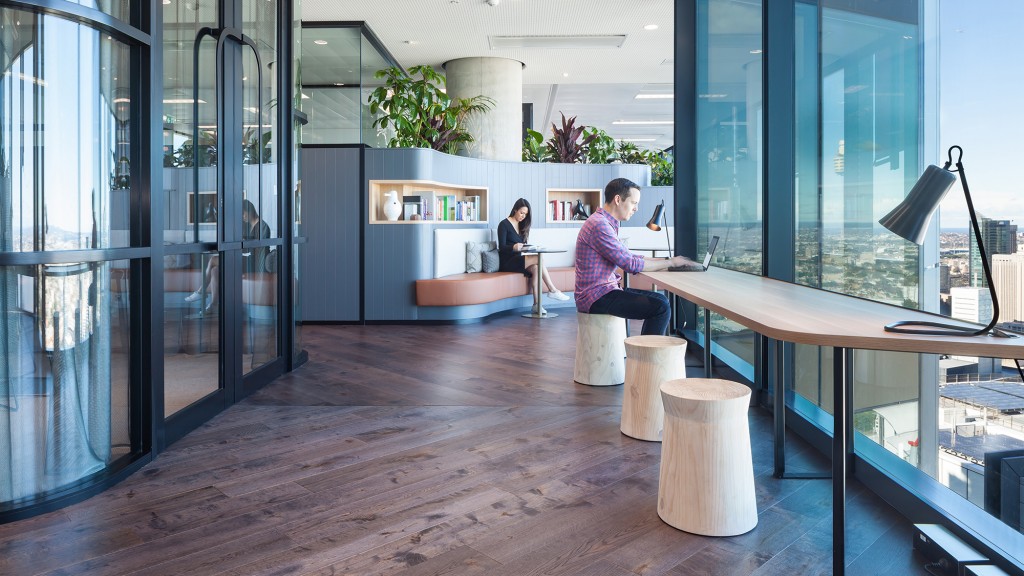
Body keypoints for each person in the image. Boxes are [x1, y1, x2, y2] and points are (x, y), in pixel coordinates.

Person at [574, 178, 699, 336]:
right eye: (634, 203)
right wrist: (671, 262)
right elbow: (629, 264)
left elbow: (628, 255)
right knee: (660, 308)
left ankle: (646, 356)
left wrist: (667, 262)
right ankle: (647, 359)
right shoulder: (600, 225)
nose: (636, 209)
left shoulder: (605, 222)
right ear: (618, 199)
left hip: (603, 291)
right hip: (596, 296)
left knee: (662, 301)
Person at [185, 199, 272, 313]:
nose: (242, 216)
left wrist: (242, 244)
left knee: (213, 259)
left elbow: (257, 249)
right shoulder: (247, 225)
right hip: (249, 259)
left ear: (249, 210)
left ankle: (201, 292)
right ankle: (214, 304)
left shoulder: (263, 226)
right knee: (215, 270)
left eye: (243, 213)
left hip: (255, 263)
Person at [497, 198, 571, 305]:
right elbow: (502, 247)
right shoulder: (503, 224)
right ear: (515, 210)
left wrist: (527, 247)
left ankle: (536, 305)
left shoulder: (521, 225)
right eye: (521, 213)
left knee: (536, 268)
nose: (523, 216)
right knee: (539, 258)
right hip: (507, 262)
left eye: (525, 214)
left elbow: (522, 246)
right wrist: (513, 247)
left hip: (519, 260)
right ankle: (553, 290)